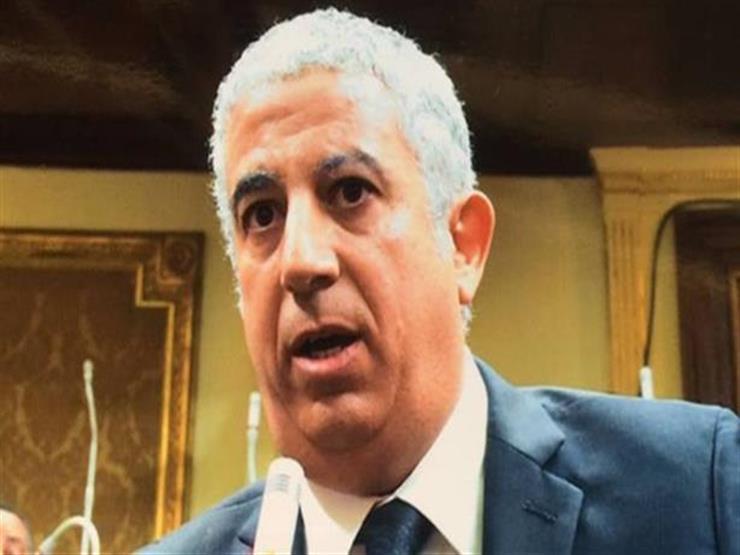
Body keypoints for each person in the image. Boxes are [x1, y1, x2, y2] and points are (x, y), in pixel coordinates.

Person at [140, 8, 739, 555]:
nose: (300, 261)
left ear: (463, 245)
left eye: (350, 192)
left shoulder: (697, 488)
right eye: (262, 215)